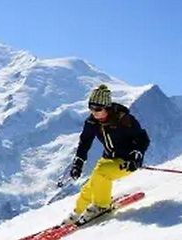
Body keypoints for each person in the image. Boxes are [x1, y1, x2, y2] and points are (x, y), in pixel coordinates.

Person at [63, 84, 150, 224]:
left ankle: (101, 205)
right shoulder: (92, 122)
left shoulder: (124, 119)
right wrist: (78, 162)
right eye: (91, 108)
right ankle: (77, 213)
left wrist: (136, 156)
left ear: (107, 108)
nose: (94, 112)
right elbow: (85, 142)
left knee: (101, 174)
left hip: (126, 161)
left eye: (98, 109)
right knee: (89, 187)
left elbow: (142, 138)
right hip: (107, 160)